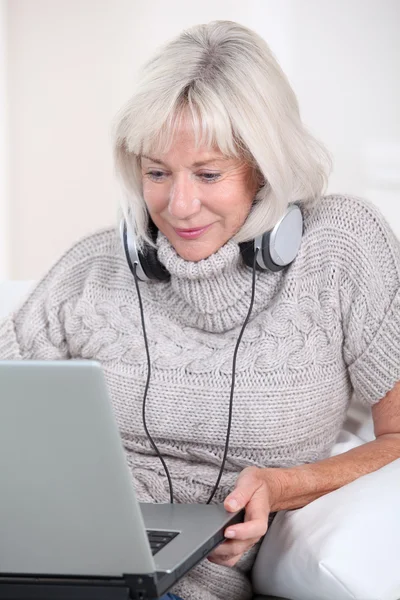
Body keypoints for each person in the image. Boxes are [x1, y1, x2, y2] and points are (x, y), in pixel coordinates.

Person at [1, 19, 400, 600]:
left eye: (209, 174)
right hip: (39, 553)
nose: (178, 204)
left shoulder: (341, 248)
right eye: (157, 173)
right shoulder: (93, 269)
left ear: (264, 170)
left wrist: (286, 486)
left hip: (181, 583)